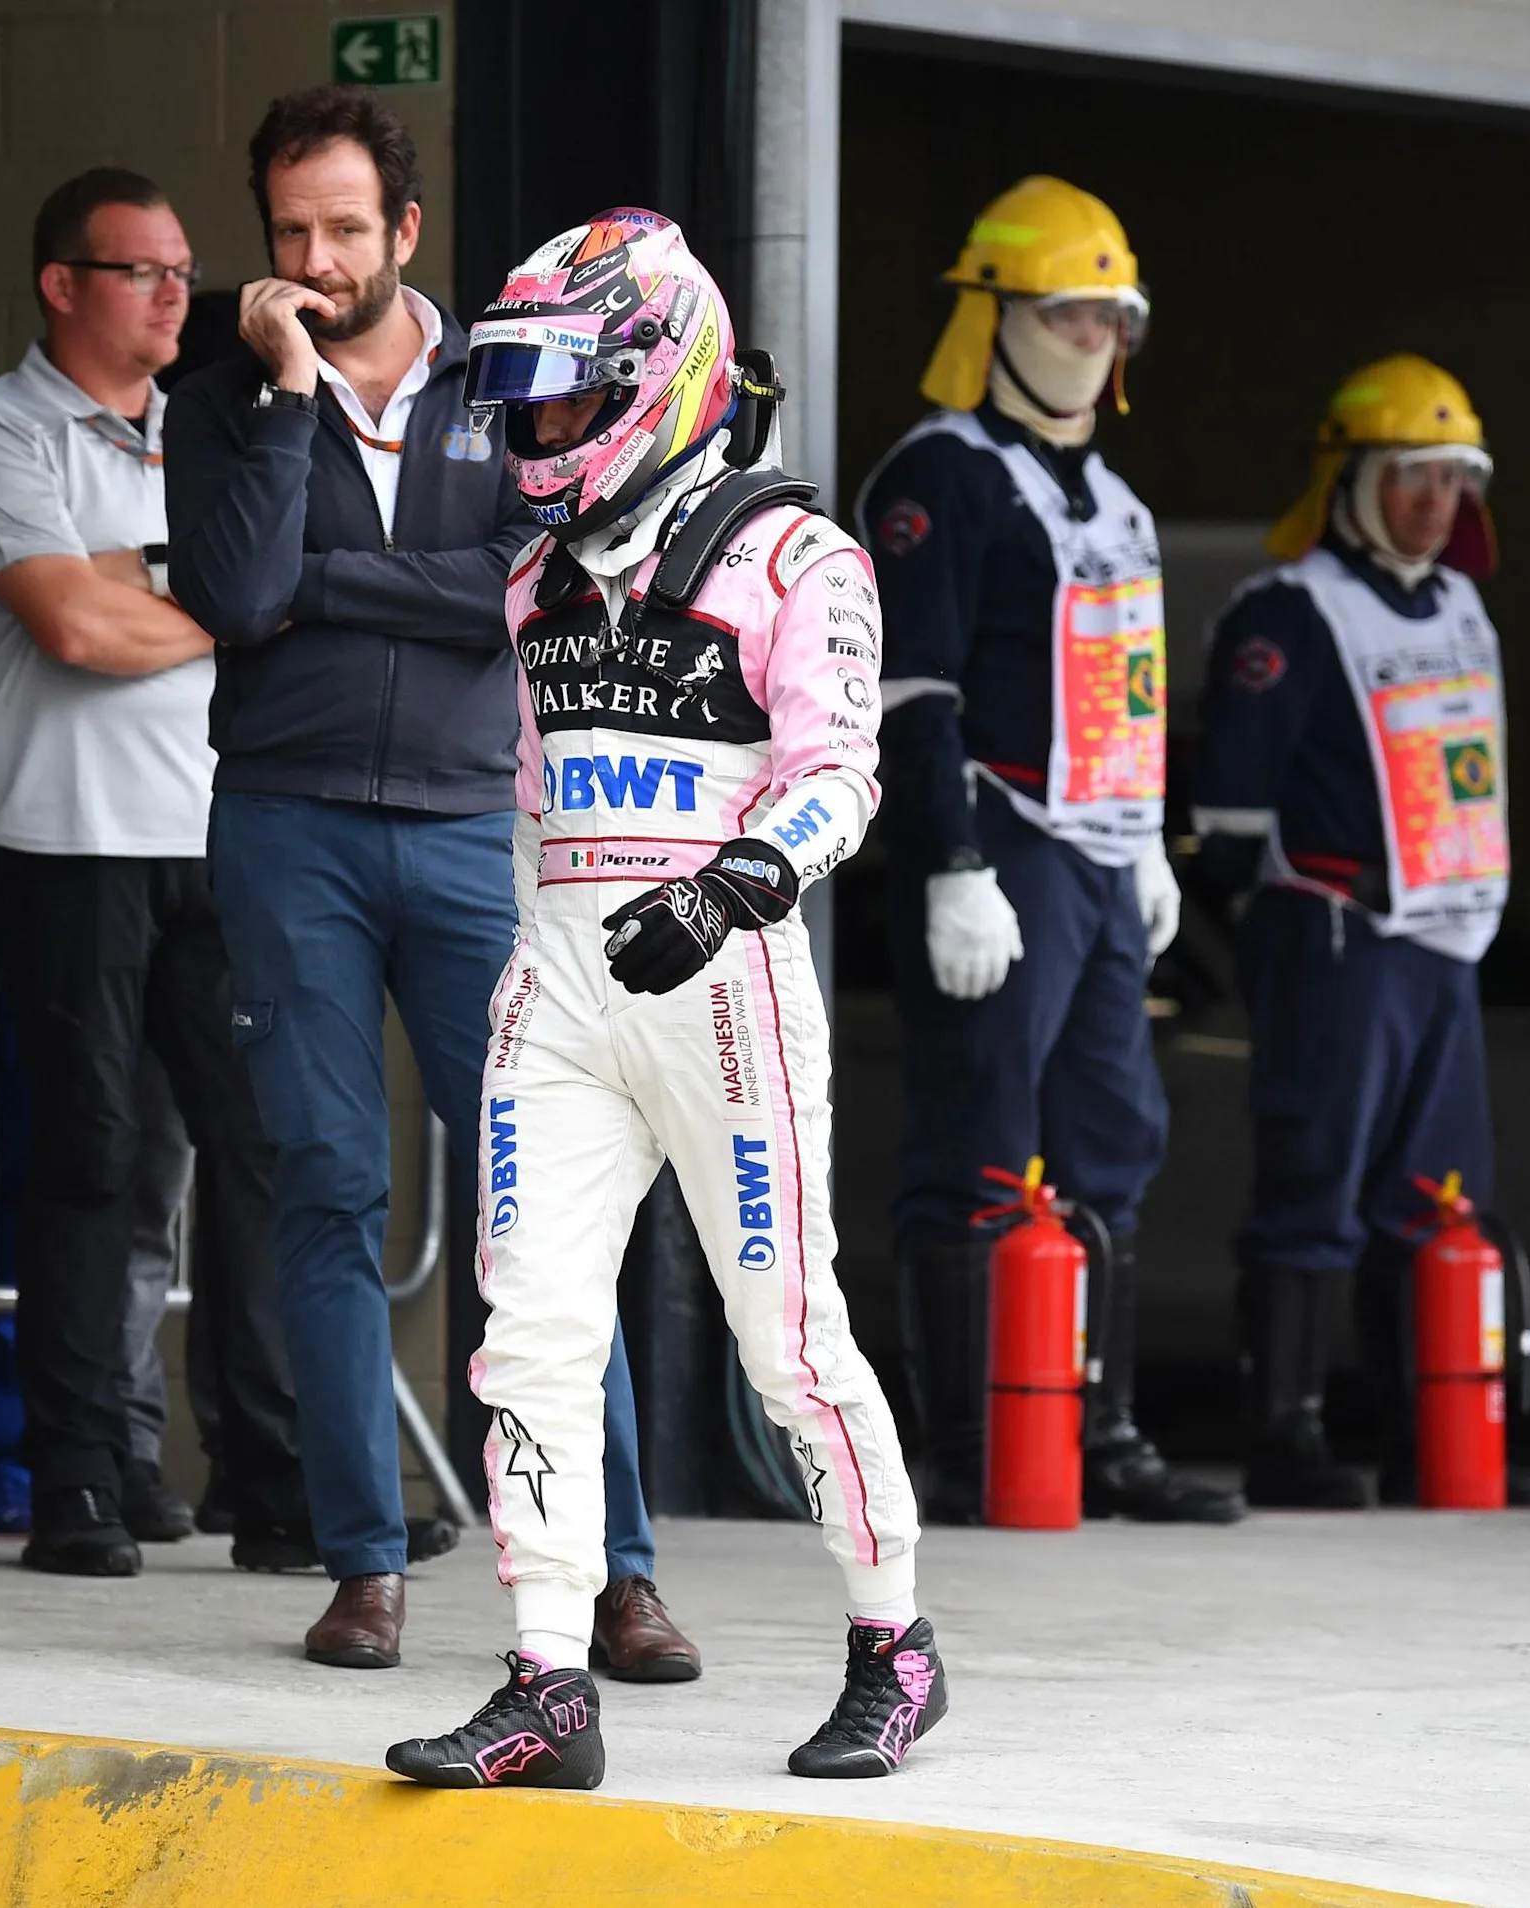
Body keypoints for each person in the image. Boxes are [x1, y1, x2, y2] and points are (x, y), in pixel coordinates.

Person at [387, 210, 943, 1791]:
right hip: (559, 987)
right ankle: (547, 1686)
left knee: (786, 1340)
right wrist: (533, 961)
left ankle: (893, 1643)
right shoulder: (533, 585)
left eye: (565, 390)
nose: (538, 425)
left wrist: (724, 890)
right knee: (534, 1336)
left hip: (725, 987)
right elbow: (522, 805)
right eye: (524, 394)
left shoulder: (798, 558)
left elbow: (846, 776)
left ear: (657, 374)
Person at [167, 86, 691, 1677]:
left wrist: (338, 589)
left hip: (472, 832)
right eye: (289, 234)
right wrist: (276, 399)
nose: (316, 261)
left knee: (539, 1206)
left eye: (344, 228)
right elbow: (240, 595)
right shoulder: (222, 384)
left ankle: (616, 1579)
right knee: (326, 1191)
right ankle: (365, 1563)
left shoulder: (512, 377)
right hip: (287, 828)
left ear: (405, 231)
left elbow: (517, 588)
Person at [0, 166, 308, 1578]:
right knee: (87, 1165)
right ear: (62, 284)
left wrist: (162, 584)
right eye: (139, 270)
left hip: (216, 838)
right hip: (60, 844)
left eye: (179, 269)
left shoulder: (212, 424)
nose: (172, 294)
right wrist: (229, 595)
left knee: (260, 1151)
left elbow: (217, 588)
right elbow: (78, 627)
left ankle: (267, 1474)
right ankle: (77, 1477)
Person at [853, 177, 1239, 1528]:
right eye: (1067, 312)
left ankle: (1103, 1430)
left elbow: (1129, 689)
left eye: (1111, 318)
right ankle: (963, 1444)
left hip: (1102, 853)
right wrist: (947, 857)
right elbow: (912, 691)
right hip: (999, 843)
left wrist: (1147, 844)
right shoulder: (939, 476)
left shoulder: (1121, 504)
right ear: (996, 313)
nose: (1093, 340)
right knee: (978, 1141)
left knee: (1111, 1139)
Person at [1190, 354, 1530, 1511]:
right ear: (1347, 480)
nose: (1436, 502)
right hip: (1337, 939)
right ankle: (1284, 1436)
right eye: (1411, 477)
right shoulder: (1288, 610)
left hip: (1443, 946)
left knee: (1439, 1197)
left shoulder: (1460, 605)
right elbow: (1230, 820)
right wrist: (1266, 937)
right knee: (1313, 1184)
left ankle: (1435, 1437)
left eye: (1453, 480)